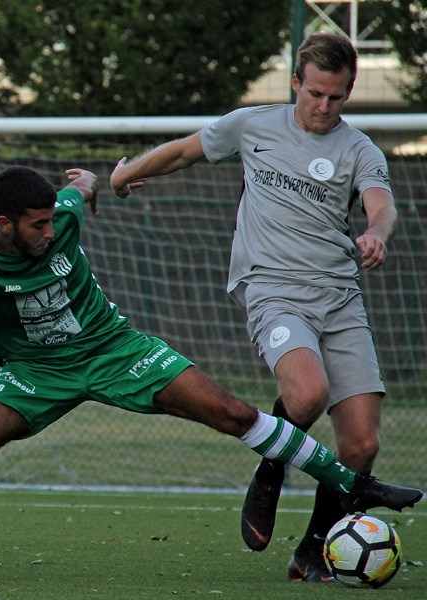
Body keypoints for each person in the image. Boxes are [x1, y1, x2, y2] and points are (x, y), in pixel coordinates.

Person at [0, 165, 422, 579]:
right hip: (36, 371)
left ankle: (354, 484)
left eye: (51, 221)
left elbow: (80, 185)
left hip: (116, 349)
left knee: (232, 410)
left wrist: (89, 187)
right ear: (4, 226)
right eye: (36, 226)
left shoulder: (61, 216)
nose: (50, 231)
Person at [110, 31, 406, 583]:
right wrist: (125, 174)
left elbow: (382, 206)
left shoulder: (359, 148)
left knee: (362, 443)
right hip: (272, 287)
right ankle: (272, 465)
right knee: (307, 393)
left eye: (336, 97)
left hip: (339, 297)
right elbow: (183, 152)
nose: (323, 107)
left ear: (348, 93)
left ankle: (313, 550)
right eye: (315, 93)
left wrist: (377, 233)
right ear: (296, 83)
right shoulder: (252, 125)